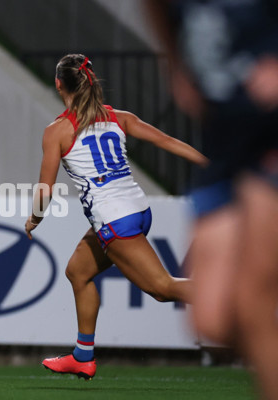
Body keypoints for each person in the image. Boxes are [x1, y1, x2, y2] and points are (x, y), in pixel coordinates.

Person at [24, 54, 208, 380]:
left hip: (114, 221)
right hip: (137, 211)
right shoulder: (117, 117)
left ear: (58, 84)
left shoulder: (58, 130)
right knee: (78, 272)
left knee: (162, 288)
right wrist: (208, 164)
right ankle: (83, 355)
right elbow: (166, 141)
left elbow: (45, 190)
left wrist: (34, 220)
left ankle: (247, 300)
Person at [144, 1, 278, 398]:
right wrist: (176, 66)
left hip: (268, 141)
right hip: (224, 147)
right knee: (212, 319)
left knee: (254, 301)